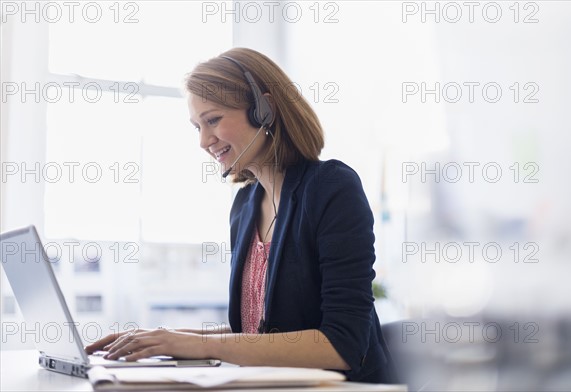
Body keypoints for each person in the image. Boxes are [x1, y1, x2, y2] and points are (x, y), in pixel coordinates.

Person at [85, 47, 397, 383]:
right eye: (197, 126)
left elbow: (341, 344)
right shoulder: (245, 206)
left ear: (264, 110)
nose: (204, 140)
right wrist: (160, 340)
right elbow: (253, 330)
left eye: (213, 120)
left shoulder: (331, 188)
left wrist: (198, 345)